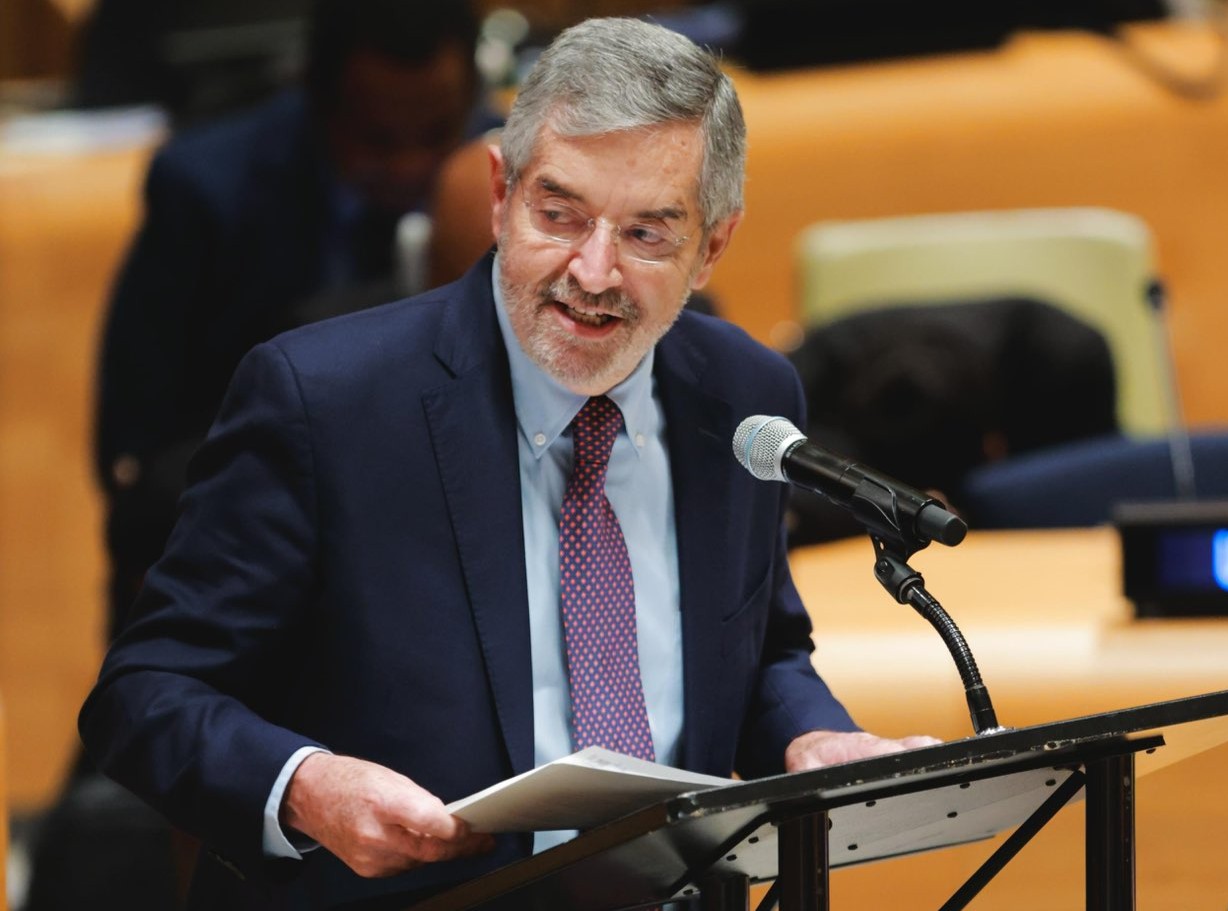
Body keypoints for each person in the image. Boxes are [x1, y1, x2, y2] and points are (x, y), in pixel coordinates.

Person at [79, 17, 934, 910]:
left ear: (712, 245)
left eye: (647, 234)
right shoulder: (323, 402)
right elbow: (145, 692)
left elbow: (757, 652)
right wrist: (304, 785)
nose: (593, 272)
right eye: (559, 215)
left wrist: (810, 737)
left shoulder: (742, 395)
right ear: (501, 193)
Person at [95, 0, 496, 640]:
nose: (409, 166)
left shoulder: (512, 176)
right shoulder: (203, 191)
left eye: (437, 132)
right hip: (246, 549)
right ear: (317, 99)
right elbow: (134, 437)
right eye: (377, 139)